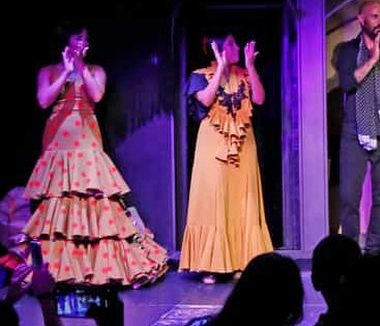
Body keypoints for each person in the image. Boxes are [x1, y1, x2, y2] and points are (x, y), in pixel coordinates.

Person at [22, 23, 168, 286]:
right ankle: (61, 269)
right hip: (58, 140)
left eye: (85, 39)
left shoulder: (95, 70)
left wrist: (79, 67)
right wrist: (65, 71)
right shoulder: (48, 71)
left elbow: (97, 95)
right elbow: (44, 100)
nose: (83, 42)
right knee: (59, 203)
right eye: (78, 37)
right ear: (66, 40)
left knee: (94, 200)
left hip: (86, 137)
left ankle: (99, 266)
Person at [180, 34, 273, 284]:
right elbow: (205, 100)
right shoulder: (200, 75)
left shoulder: (244, 74)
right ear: (218, 47)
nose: (237, 47)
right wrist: (220, 67)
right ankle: (211, 264)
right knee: (214, 200)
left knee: (242, 200)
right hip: (214, 144)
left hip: (243, 143)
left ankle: (242, 260)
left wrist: (250, 66)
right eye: (231, 44)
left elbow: (259, 99)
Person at [333, 1, 380, 255]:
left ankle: (374, 251)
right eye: (375, 16)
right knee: (349, 198)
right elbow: (348, 83)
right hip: (354, 133)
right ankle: (350, 253)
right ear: (361, 19)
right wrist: (373, 58)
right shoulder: (347, 50)